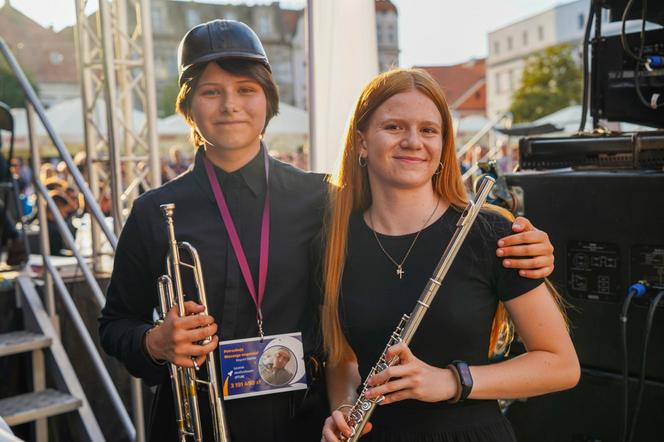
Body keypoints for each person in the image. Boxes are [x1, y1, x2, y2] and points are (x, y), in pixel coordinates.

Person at [99, 20, 556, 442]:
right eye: (211, 92)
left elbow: (411, 221)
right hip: (198, 423)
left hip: (305, 422)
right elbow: (115, 325)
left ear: (268, 101)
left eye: (245, 89)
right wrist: (154, 343)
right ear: (187, 106)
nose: (231, 105)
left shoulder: (325, 199)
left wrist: (524, 240)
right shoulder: (152, 211)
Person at [320, 69, 580, 442]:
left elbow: (561, 365)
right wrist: (344, 407)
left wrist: (451, 380)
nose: (413, 141)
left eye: (428, 130)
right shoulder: (336, 240)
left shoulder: (490, 233)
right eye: (394, 127)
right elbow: (342, 357)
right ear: (361, 141)